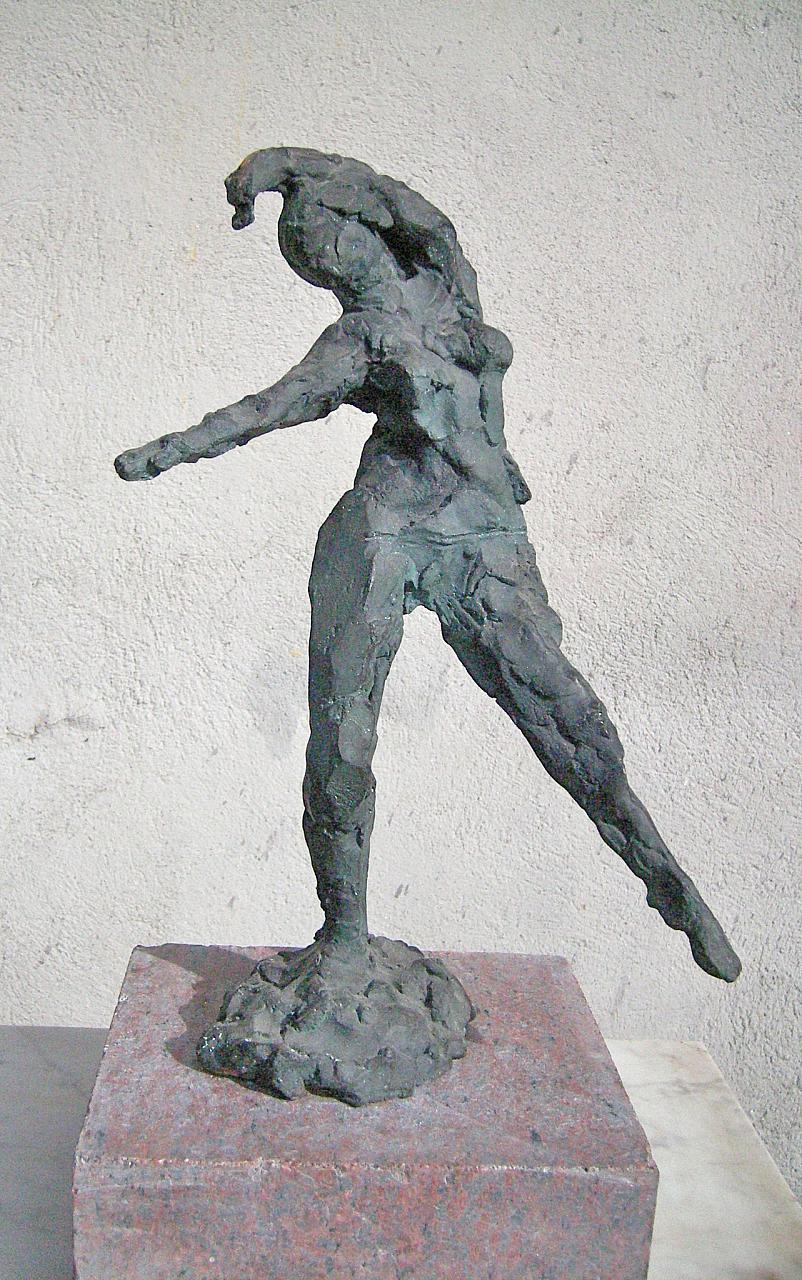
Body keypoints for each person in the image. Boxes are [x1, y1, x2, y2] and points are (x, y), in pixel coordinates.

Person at [116, 147, 740, 983]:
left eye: (327, 240)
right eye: (309, 259)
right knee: (344, 737)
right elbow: (271, 407)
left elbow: (416, 210)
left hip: (484, 533)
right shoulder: (355, 338)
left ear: (365, 227)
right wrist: (173, 449)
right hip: (383, 531)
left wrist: (277, 168)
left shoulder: (448, 283)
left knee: (571, 718)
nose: (327, 263)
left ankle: (668, 884)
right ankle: (344, 936)